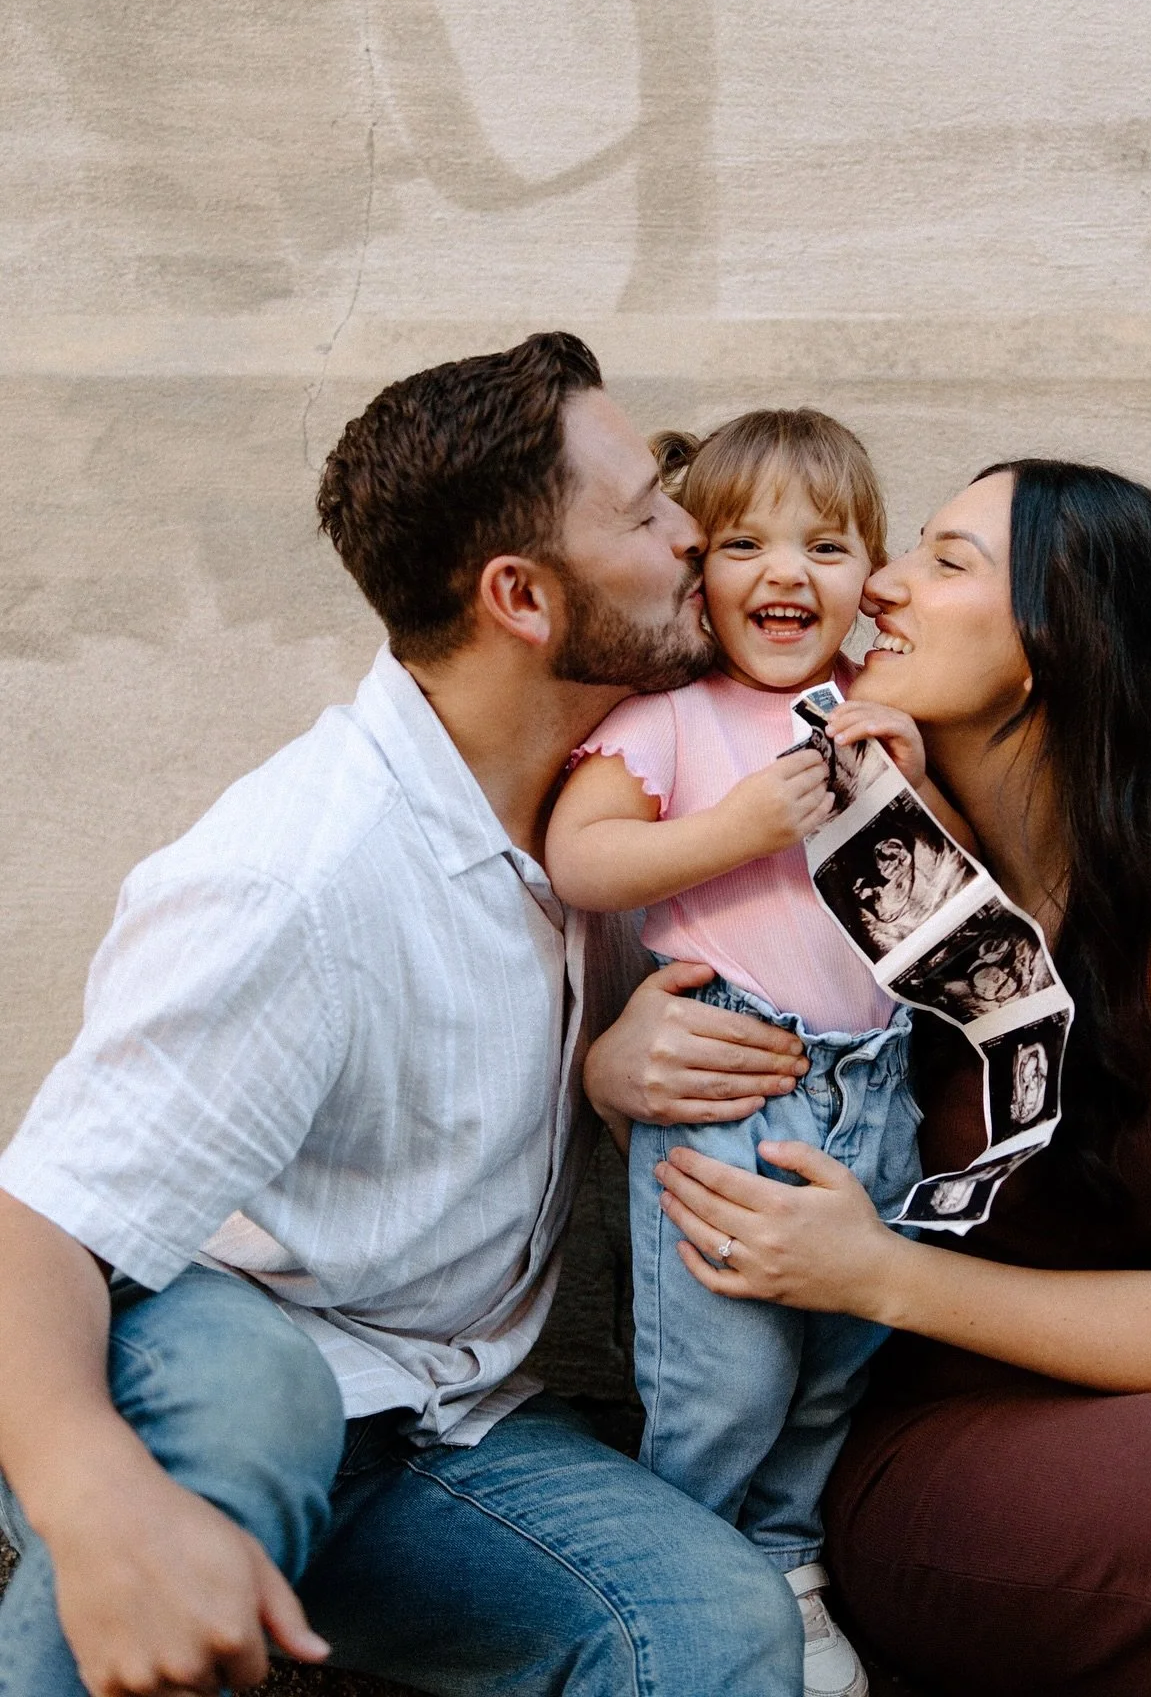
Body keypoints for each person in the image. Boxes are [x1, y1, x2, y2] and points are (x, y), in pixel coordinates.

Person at [0, 334, 813, 1697]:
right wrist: (93, 1504)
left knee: (712, 1627)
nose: (696, 532)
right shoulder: (298, 875)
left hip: (442, 1422)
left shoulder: (629, 805)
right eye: (647, 511)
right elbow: (37, 1229)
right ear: (522, 597)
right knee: (259, 1400)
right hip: (212, 1375)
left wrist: (608, 1074)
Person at [630, 459, 1151, 1695]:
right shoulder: (851, 843)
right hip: (932, 1448)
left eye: (944, 563)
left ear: (1053, 646)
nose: (884, 587)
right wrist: (614, 1060)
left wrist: (877, 1269)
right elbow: (630, 926)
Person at [546, 411, 967, 1697]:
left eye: (828, 545)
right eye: (746, 544)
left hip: (875, 1080)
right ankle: (681, 1575)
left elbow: (955, 905)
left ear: (868, 574)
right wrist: (736, 826)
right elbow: (585, 858)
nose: (789, 572)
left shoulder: (879, 714)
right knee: (719, 1374)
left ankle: (782, 1560)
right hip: (730, 1073)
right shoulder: (674, 717)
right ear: (697, 572)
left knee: (834, 1362)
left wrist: (924, 795)